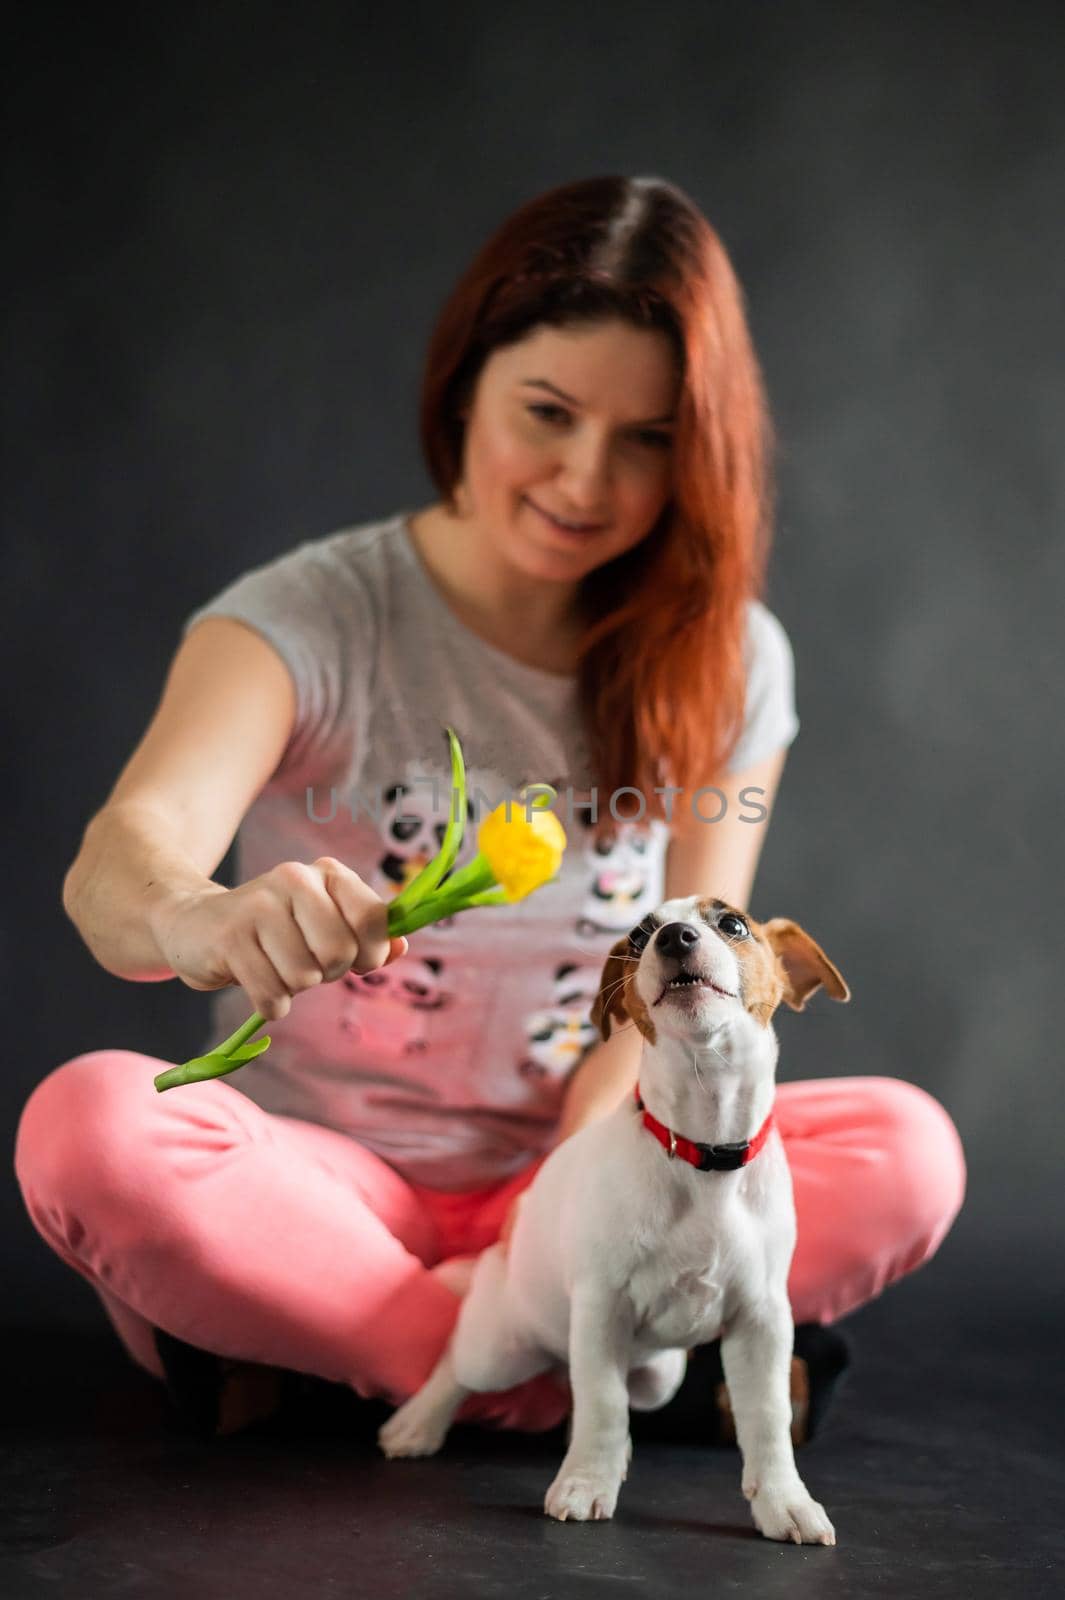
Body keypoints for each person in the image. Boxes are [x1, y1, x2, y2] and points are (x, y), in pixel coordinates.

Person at [15, 174, 966, 1445]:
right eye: (549, 412)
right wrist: (197, 913)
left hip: (595, 1176)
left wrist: (567, 1200)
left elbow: (699, 994)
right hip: (323, 1190)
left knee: (910, 1149)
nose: (586, 478)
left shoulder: (730, 659)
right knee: (95, 1136)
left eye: (647, 438)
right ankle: (555, 1367)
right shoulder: (308, 618)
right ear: (466, 383)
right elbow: (116, 866)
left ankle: (376, 1358)